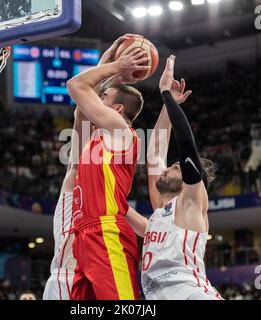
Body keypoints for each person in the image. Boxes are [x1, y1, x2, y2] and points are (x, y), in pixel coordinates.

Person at [129, 56, 223, 300]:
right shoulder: (162, 210)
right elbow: (156, 152)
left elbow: (185, 143)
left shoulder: (191, 200)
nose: (167, 168)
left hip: (192, 294)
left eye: (175, 167)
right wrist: (166, 109)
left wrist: (166, 96)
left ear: (189, 179)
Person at [66, 34, 148, 300]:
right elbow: (81, 105)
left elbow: (76, 85)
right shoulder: (95, 137)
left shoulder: (121, 131)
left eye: (104, 96)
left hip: (107, 231)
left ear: (118, 108)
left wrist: (116, 69)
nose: (97, 98)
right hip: (85, 235)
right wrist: (107, 61)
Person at [42, 108, 85, 300]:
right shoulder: (72, 202)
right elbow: (74, 166)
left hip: (87, 280)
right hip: (66, 279)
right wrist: (84, 107)